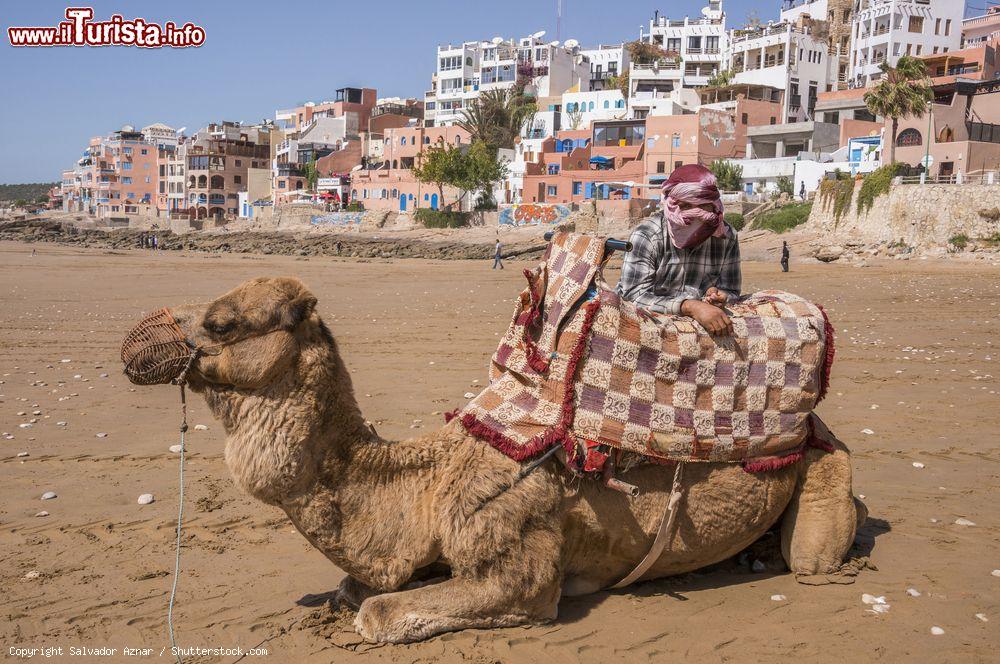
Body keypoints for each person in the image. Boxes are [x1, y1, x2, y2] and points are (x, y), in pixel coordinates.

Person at [617, 164, 740, 335]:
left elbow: (732, 291)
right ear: (671, 204)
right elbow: (633, 296)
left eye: (704, 208)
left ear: (714, 206)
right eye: (686, 207)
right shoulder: (647, 236)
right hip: (648, 327)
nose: (696, 215)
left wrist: (719, 296)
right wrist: (689, 306)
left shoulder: (726, 237)